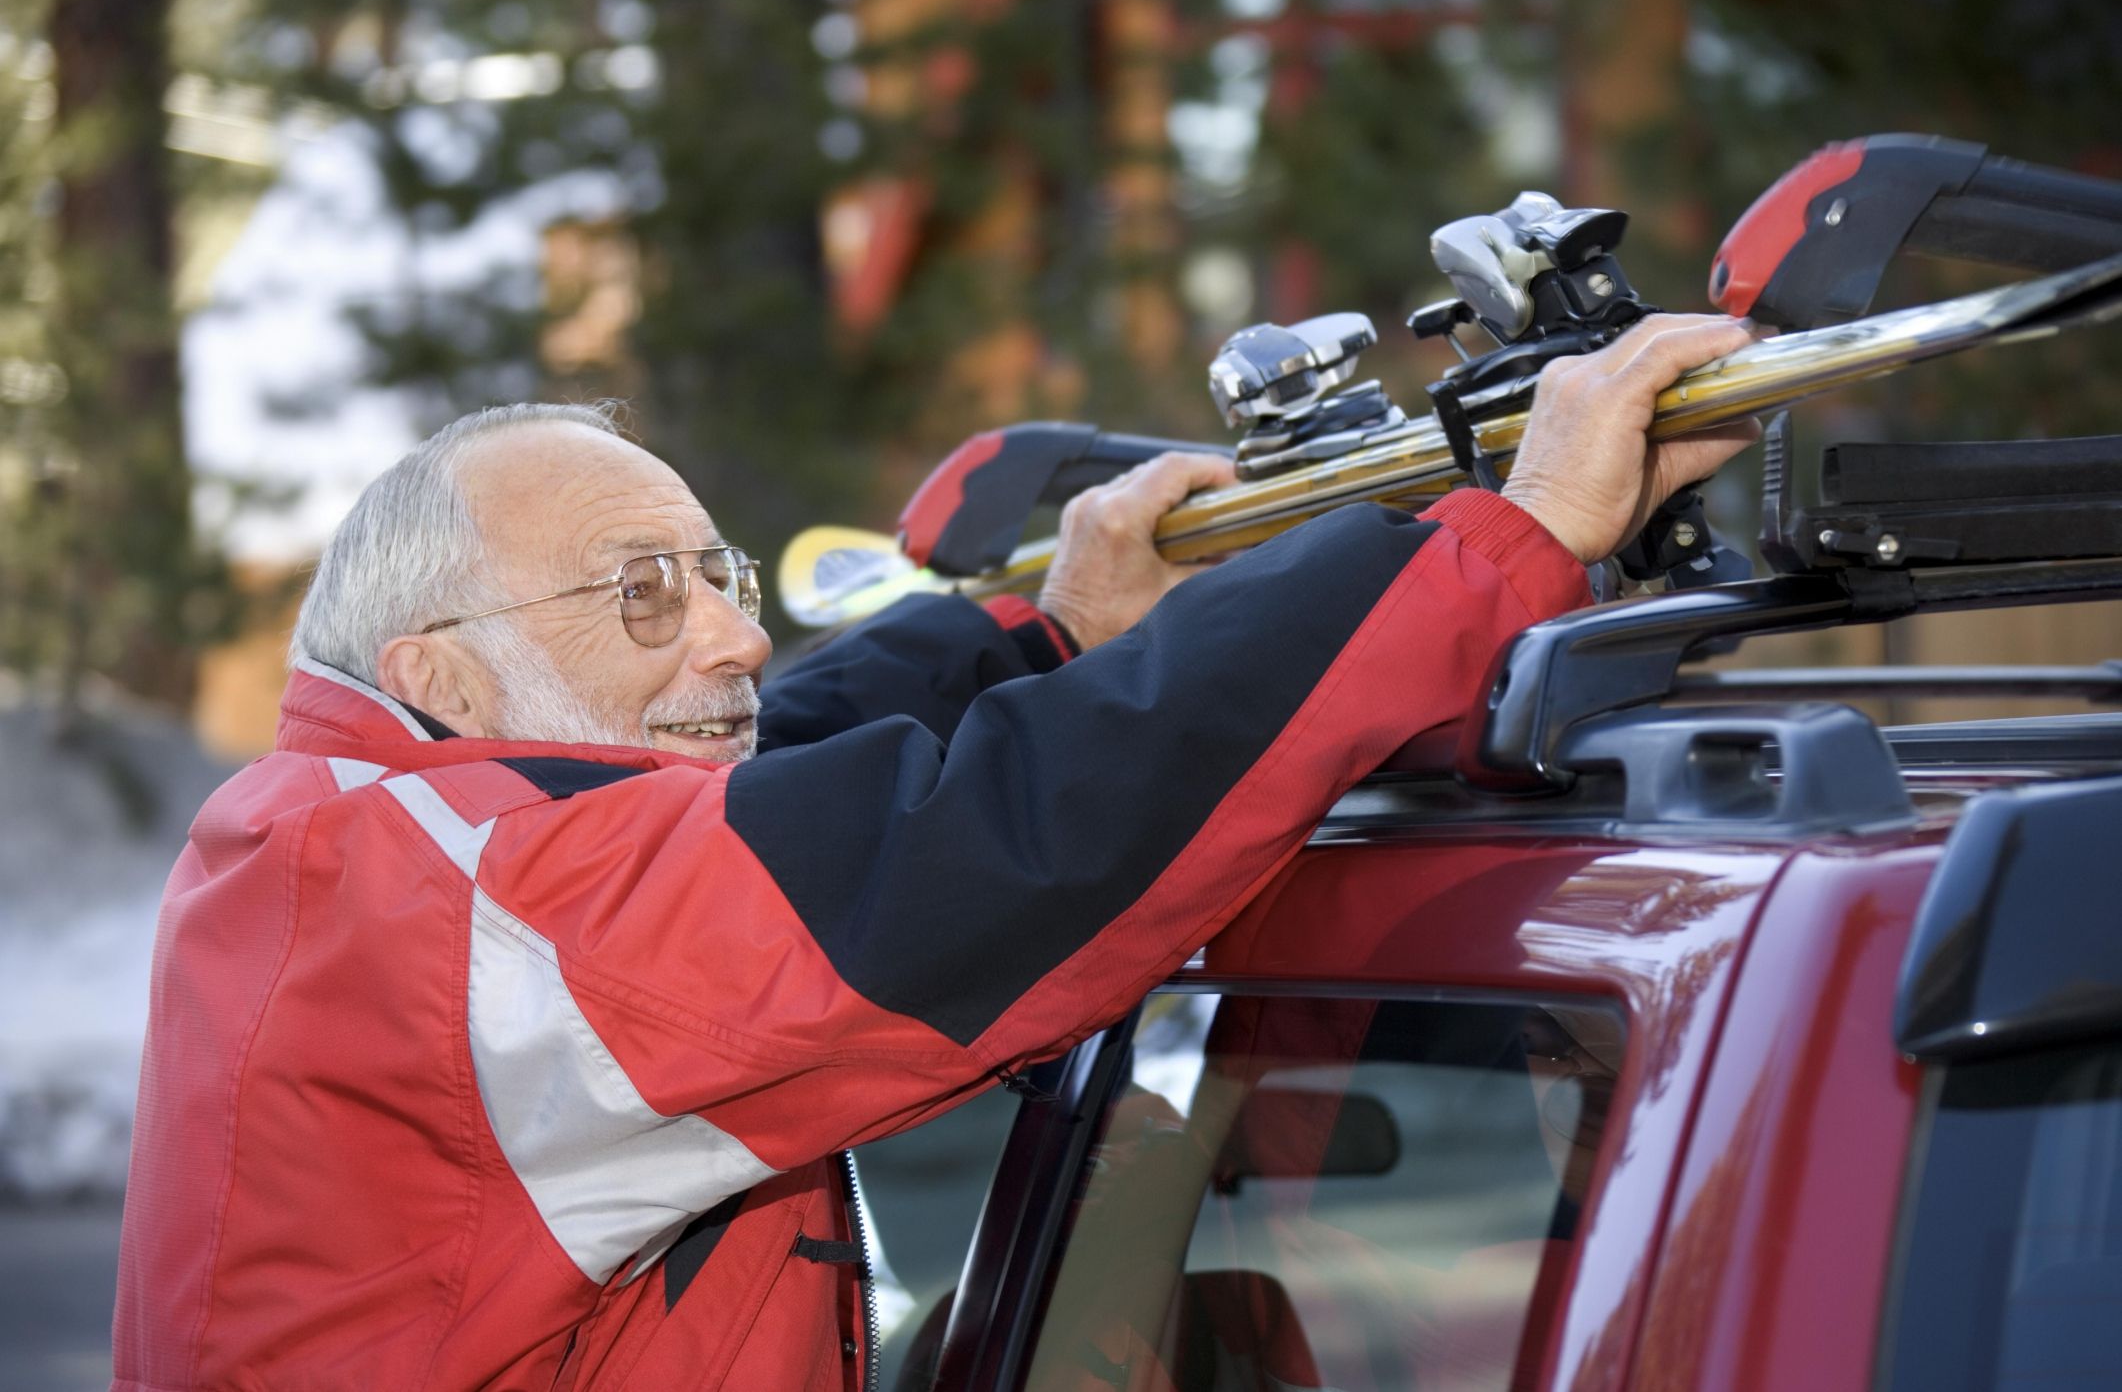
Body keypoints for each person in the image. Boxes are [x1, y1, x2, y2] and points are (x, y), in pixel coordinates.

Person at [111, 314, 1758, 1390]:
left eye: (718, 579)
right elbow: (994, 846)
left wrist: (1044, 637)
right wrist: (1499, 539)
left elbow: (765, 801)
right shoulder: (473, 923)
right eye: (640, 594)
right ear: (442, 675)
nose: (733, 645)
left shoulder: (348, 843)